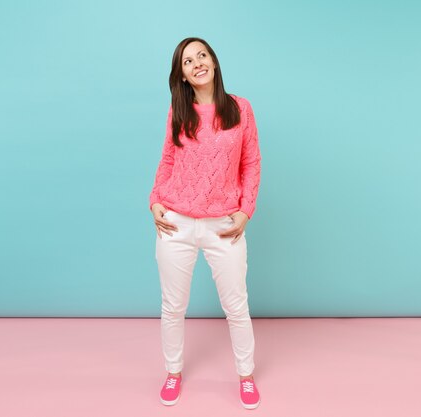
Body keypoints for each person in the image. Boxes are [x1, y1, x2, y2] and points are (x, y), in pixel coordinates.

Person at [149, 37, 262, 410]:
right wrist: (155, 201)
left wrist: (246, 210)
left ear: (213, 61)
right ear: (181, 75)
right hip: (177, 223)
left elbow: (251, 164)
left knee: (236, 305)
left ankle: (245, 376)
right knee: (173, 306)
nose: (197, 63)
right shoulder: (178, 110)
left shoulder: (240, 109)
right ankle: (173, 371)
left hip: (223, 225)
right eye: (187, 61)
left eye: (202, 55)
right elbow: (167, 160)